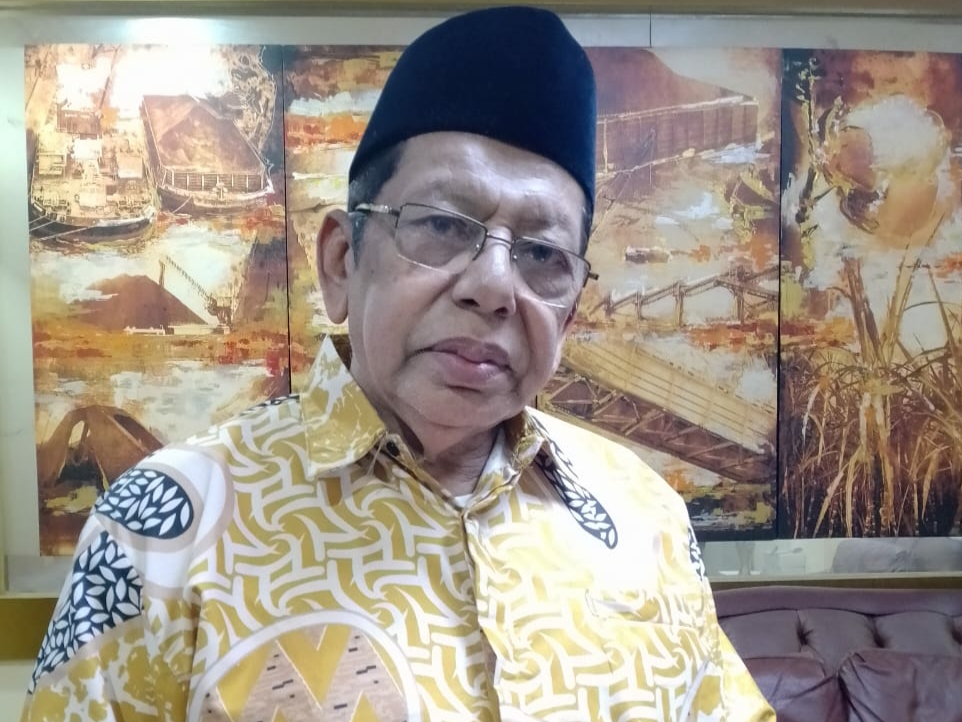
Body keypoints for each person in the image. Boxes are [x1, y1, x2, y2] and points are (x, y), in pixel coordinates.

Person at [22, 7, 774, 721]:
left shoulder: (644, 515)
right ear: (341, 261)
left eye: (543, 255)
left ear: (570, 308)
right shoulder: (160, 528)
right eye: (443, 225)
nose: (493, 287)